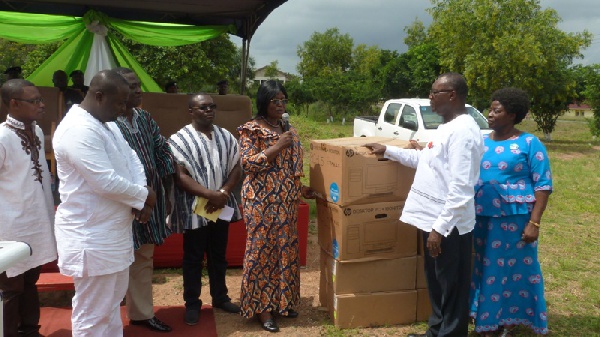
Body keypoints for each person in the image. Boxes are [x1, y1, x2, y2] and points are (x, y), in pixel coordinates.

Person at [365, 72, 484, 337]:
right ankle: (436, 332)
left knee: (452, 288)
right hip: (433, 220)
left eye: (434, 92)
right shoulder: (445, 128)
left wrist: (439, 229)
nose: (430, 97)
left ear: (451, 95)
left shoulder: (464, 131)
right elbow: (425, 161)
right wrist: (389, 150)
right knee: (438, 284)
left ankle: (450, 333)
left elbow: (462, 187)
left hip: (449, 226)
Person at [53, 69, 156, 337]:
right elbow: (105, 182)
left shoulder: (105, 122)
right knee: (93, 313)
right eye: (120, 103)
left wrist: (142, 193)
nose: (124, 110)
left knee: (111, 307)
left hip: (112, 234)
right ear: (99, 96)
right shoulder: (78, 129)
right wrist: (144, 196)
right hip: (92, 237)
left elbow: (132, 158)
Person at [469, 88, 552, 337]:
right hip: (480, 217)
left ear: (512, 114)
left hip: (514, 220)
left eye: (497, 110)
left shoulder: (529, 143)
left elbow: (543, 185)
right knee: (483, 266)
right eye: (490, 109)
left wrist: (534, 223)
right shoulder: (481, 141)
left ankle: (509, 319)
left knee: (512, 270)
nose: (490, 114)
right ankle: (484, 318)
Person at [237, 80, 315, 333]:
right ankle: (262, 309)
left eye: (284, 100)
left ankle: (283, 302)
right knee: (262, 253)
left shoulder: (287, 128)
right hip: (260, 201)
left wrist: (300, 188)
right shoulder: (251, 129)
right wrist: (277, 146)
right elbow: (248, 165)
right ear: (264, 102)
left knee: (286, 250)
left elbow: (292, 165)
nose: (281, 105)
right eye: (275, 101)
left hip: (286, 201)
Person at [168, 93, 242, 326]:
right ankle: (192, 303)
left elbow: (236, 167)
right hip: (196, 208)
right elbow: (180, 177)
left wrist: (225, 193)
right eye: (202, 107)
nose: (209, 110)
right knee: (193, 257)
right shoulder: (179, 139)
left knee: (218, 256)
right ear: (191, 111)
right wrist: (210, 195)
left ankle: (220, 297)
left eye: (212, 106)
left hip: (221, 205)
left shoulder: (226, 136)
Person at [114, 68, 176, 333]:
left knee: (143, 256)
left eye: (138, 85)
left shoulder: (144, 117)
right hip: (122, 204)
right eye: (131, 86)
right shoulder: (108, 124)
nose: (138, 90)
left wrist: (164, 187)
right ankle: (107, 317)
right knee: (118, 259)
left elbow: (162, 149)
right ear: (117, 91)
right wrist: (137, 196)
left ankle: (141, 313)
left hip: (151, 201)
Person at [0, 79, 57, 337]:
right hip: (9, 226)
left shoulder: (34, 131)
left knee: (30, 281)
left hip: (35, 221)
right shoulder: (2, 137)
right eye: (34, 101)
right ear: (14, 104)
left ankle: (30, 330)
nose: (41, 105)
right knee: (10, 287)